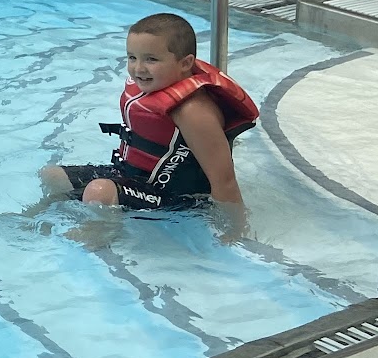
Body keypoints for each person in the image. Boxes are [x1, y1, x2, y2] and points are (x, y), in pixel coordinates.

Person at [38, 11, 257, 216]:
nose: (139, 68)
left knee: (99, 192)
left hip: (174, 196)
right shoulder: (154, 89)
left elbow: (225, 182)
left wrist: (233, 235)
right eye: (132, 57)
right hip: (133, 176)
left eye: (151, 59)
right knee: (53, 175)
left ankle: (96, 239)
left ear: (185, 63)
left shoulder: (193, 111)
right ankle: (40, 220)